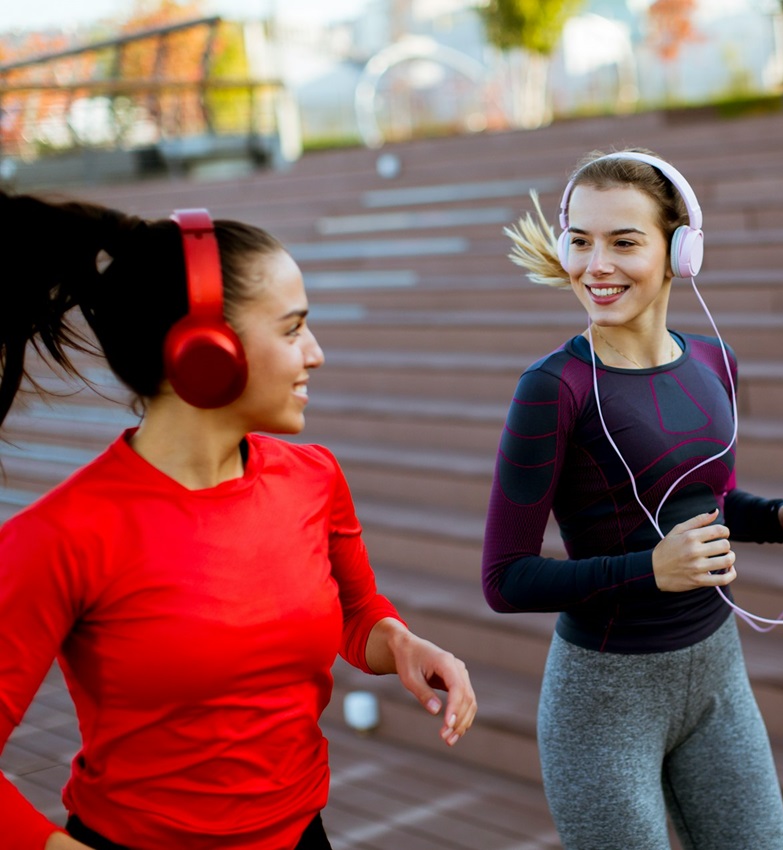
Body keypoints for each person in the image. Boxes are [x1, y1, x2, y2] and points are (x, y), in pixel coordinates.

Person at [0, 193, 477, 850]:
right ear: (205, 351)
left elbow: (356, 611)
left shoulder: (314, 477)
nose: (315, 353)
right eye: (291, 329)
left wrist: (401, 646)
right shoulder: (59, 536)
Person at [481, 148, 783, 849]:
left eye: (624, 242)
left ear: (681, 251)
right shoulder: (554, 388)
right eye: (581, 241)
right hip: (603, 704)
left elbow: (707, 501)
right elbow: (504, 580)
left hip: (717, 677)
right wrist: (649, 569)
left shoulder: (715, 362)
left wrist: (777, 519)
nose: (597, 265)